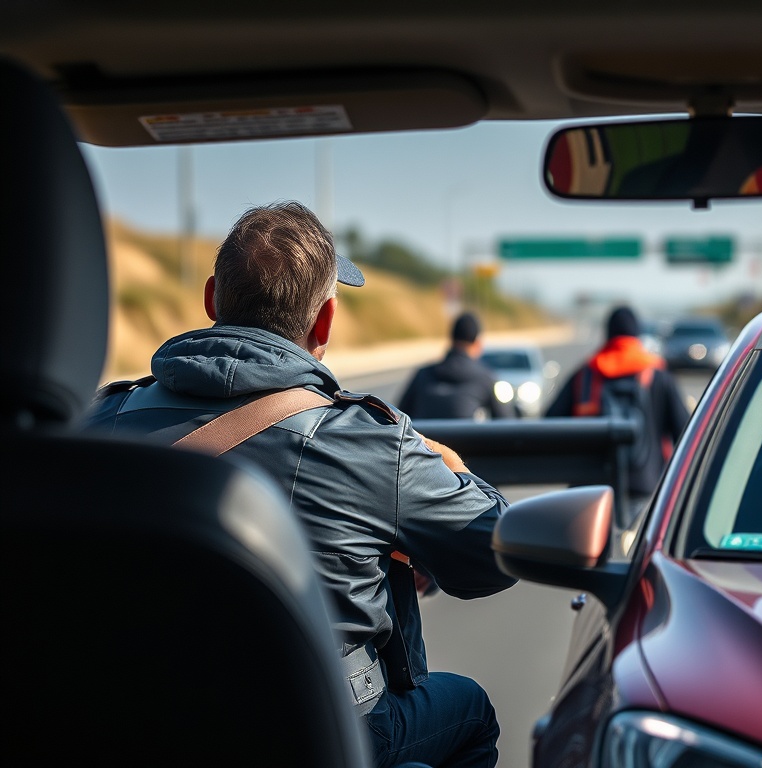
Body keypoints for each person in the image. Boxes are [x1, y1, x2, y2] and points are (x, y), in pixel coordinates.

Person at [85, 201, 517, 768]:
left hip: (140, 722)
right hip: (322, 731)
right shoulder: (369, 442)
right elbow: (492, 554)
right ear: (326, 321)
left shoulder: (100, 420)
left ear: (213, 297)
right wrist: (455, 469)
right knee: (470, 711)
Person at [545, 305, 690, 515]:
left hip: (589, 489)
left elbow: (551, 423)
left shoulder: (586, 374)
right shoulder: (659, 376)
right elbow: (684, 432)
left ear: (607, 334)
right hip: (644, 486)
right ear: (637, 334)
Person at [397, 311, 517, 421]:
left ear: (451, 339)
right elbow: (506, 422)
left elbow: (399, 417)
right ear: (478, 343)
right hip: (464, 445)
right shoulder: (487, 379)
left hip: (424, 444)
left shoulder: (422, 374)